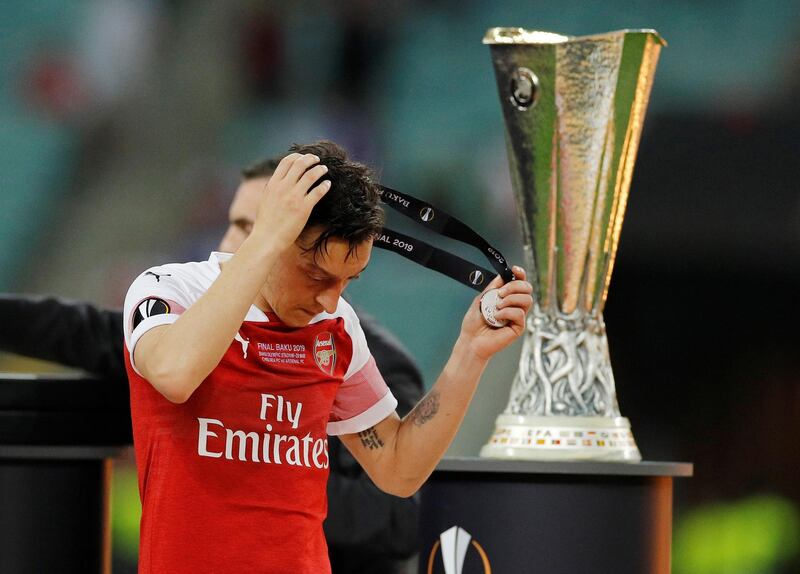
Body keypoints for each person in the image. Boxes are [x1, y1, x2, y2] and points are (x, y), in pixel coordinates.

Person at [123, 140, 533, 573]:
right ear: (275, 234)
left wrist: (469, 353)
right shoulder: (169, 289)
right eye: (316, 275)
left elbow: (397, 468)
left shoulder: (337, 328)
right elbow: (174, 373)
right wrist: (264, 238)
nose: (328, 299)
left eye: (348, 280)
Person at [0, 155, 423, 573]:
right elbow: (85, 331)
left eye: (257, 227)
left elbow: (397, 516)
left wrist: (271, 485)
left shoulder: (362, 349)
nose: (236, 245)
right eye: (237, 225)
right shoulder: (183, 309)